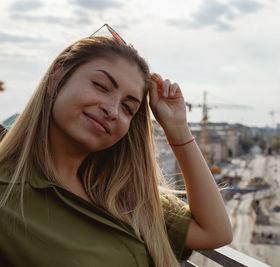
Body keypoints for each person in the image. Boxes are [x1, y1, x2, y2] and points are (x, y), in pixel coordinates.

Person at [0, 25, 232, 267]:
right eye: (101, 86)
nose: (111, 110)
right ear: (57, 76)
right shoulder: (6, 194)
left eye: (127, 108)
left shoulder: (122, 196)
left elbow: (215, 232)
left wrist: (177, 128)